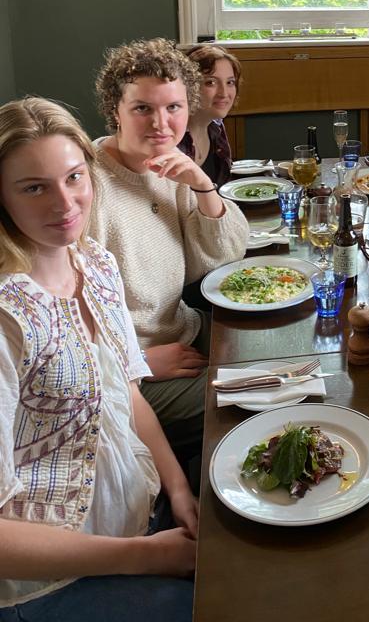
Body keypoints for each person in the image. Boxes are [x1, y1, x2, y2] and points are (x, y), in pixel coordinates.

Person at [0, 98, 195, 621]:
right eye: (33, 187)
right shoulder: (8, 317)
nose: (64, 203)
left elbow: (126, 393)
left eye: (74, 177)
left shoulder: (97, 266)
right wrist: (146, 557)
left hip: (137, 513)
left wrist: (179, 489)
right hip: (50, 576)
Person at [89, 38, 249, 449]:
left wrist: (202, 184)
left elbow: (218, 258)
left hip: (183, 330)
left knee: (283, 355)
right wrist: (136, 363)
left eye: (173, 107)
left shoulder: (170, 166)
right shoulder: (88, 185)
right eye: (143, 108)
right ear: (116, 112)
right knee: (248, 402)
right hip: (129, 373)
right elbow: (70, 321)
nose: (161, 123)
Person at [178, 44, 241, 188]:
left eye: (230, 82)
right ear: (188, 86)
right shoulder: (170, 138)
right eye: (211, 82)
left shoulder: (216, 125)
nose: (224, 93)